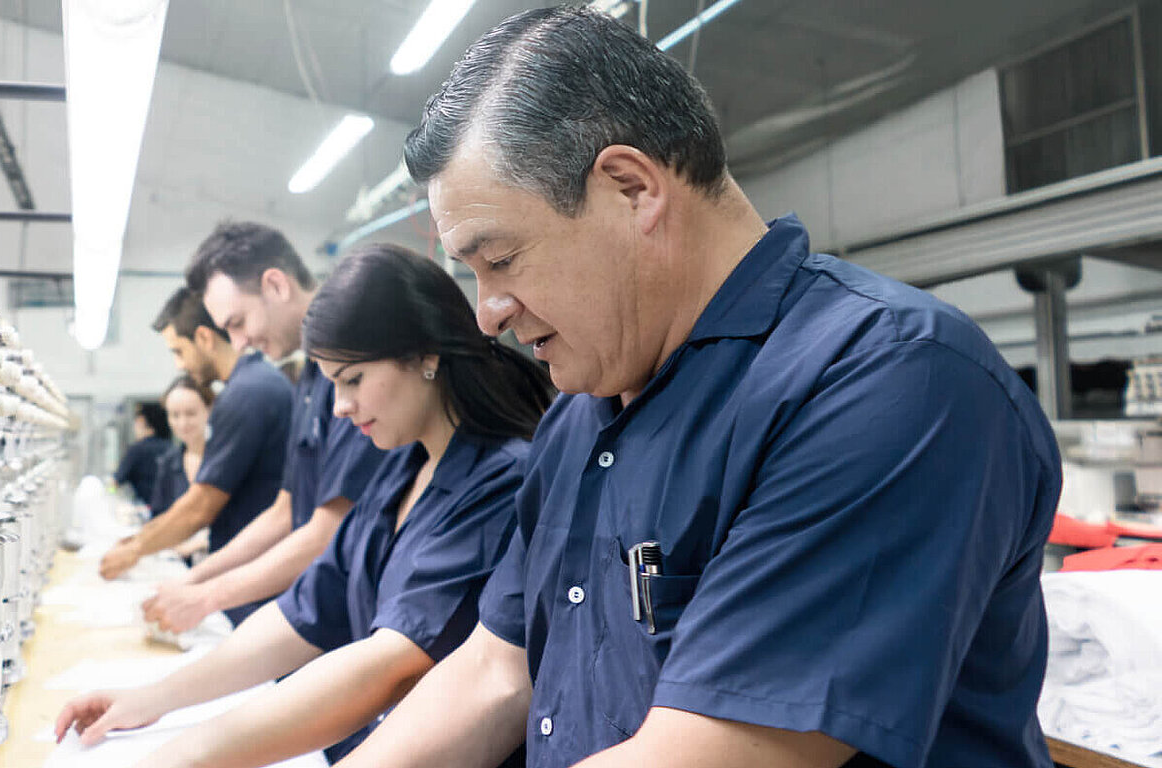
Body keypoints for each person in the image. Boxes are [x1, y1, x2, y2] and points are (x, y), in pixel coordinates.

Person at [335, 8, 1061, 768]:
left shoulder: (893, 380)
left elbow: (718, 750)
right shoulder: (579, 421)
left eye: (502, 260)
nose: (487, 316)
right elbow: (495, 673)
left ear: (631, 188)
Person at [55, 244, 556, 768]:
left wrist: (187, 755)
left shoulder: (501, 481)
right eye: (334, 385)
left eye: (353, 381)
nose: (340, 407)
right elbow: (305, 612)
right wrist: (149, 700)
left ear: (426, 356)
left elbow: (392, 662)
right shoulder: (397, 472)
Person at [136, 222, 387, 635]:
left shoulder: (348, 375)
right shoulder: (308, 378)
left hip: (354, 615)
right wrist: (193, 580)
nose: (237, 343)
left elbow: (330, 526)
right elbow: (284, 512)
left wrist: (206, 595)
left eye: (237, 322)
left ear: (275, 285)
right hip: (316, 608)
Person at [101, 287, 292, 625]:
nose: (180, 365)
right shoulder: (255, 384)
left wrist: (134, 550)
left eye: (179, 351)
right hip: (246, 570)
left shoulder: (247, 393)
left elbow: (200, 506)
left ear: (204, 337)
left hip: (257, 581)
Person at [147, 375, 214, 518]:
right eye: (175, 415)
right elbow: (159, 516)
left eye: (190, 414)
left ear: (209, 410)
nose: (183, 423)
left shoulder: (226, 457)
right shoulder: (168, 463)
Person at [113, 401, 173, 506]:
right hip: (171, 509)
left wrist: (108, 493)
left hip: (146, 509)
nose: (134, 428)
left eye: (136, 423)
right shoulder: (172, 448)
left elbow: (116, 483)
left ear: (145, 424)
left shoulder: (137, 450)